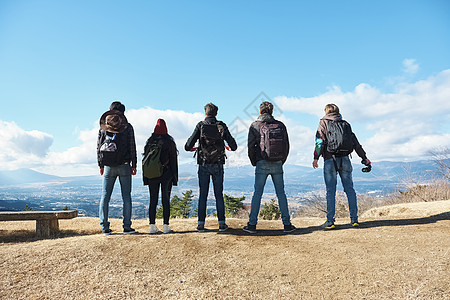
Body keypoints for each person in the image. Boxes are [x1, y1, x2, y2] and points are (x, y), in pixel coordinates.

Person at [312, 103, 371, 229]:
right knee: (350, 190)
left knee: (330, 191)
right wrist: (364, 158)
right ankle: (354, 219)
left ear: (326, 112)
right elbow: (355, 143)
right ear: (338, 112)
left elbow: (319, 141)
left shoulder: (324, 123)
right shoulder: (345, 124)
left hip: (329, 160)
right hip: (345, 159)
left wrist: (316, 157)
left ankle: (330, 221)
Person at [243, 101, 296, 234]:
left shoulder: (255, 125)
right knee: (281, 194)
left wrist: (254, 161)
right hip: (277, 162)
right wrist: (281, 160)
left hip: (261, 162)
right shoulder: (280, 125)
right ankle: (287, 225)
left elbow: (250, 146)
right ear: (272, 112)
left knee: (257, 194)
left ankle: (252, 225)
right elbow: (287, 146)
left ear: (260, 112)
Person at [185, 103, 237, 232]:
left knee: (203, 194)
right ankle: (221, 224)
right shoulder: (221, 126)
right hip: (218, 164)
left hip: (203, 164)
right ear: (216, 113)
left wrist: (194, 148)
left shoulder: (200, 125)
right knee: (218, 194)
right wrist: (228, 147)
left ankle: (201, 224)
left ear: (205, 113)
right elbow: (234, 146)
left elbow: (187, 146)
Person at [97, 101, 137, 235]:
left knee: (105, 196)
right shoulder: (128, 127)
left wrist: (100, 164)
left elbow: (98, 147)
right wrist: (134, 165)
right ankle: (126, 227)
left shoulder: (103, 127)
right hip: (125, 165)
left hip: (108, 166)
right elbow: (132, 146)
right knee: (126, 197)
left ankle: (104, 227)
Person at [143, 119, 178, 234]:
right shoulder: (169, 143)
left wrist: (146, 178)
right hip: (166, 174)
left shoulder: (150, 142)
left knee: (153, 200)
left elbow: (146, 161)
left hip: (152, 175)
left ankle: (152, 226)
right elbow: (173, 162)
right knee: (165, 200)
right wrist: (174, 178)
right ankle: (165, 226)